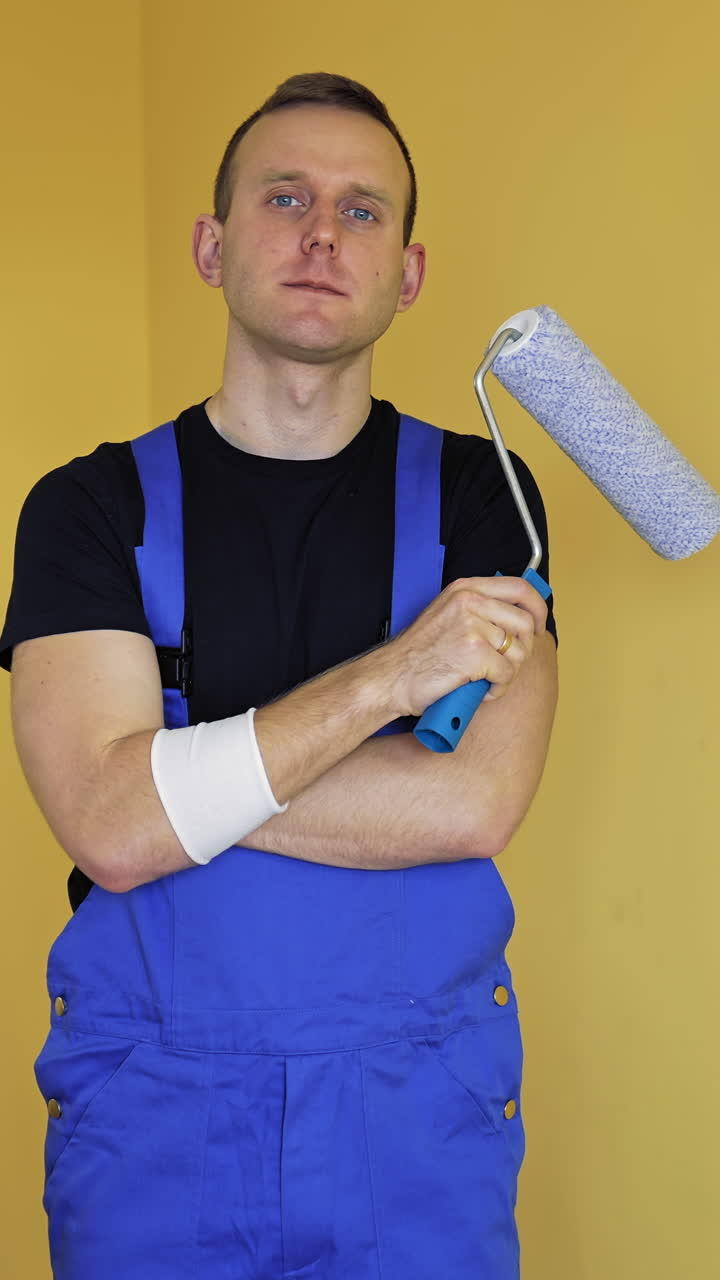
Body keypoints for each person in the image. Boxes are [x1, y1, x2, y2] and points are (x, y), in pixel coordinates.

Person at [1, 72, 558, 1280]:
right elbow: (106, 826)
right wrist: (388, 681)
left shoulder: (485, 499)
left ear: (408, 272)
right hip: (155, 1123)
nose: (321, 232)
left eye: (365, 211)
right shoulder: (87, 510)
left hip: (418, 1118)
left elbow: (470, 802)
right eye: (285, 197)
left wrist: (173, 795)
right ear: (212, 244)